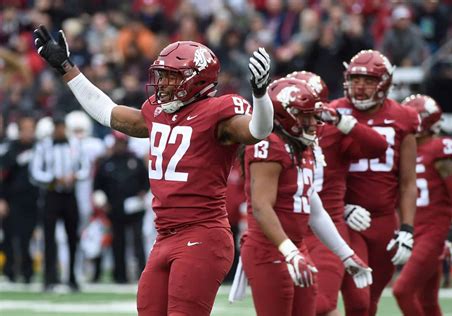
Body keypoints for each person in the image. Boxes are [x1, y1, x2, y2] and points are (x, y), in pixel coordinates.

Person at [33, 25, 274, 315]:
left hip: (202, 234)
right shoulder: (156, 111)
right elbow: (108, 111)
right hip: (164, 237)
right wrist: (66, 69)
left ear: (197, 80)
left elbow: (257, 130)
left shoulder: (217, 112)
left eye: (172, 77)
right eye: (162, 75)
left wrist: (260, 96)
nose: (163, 84)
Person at [239, 77, 373, 316]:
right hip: (270, 250)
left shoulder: (302, 146)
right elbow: (261, 207)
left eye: (313, 115)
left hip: (297, 248)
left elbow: (314, 208)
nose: (313, 122)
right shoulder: (269, 144)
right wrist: (289, 252)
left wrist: (346, 254)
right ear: (284, 115)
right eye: (305, 116)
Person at [287, 71, 388, 316]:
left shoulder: (331, 132)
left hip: (325, 228)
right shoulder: (278, 135)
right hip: (287, 228)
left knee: (319, 304)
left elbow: (379, 146)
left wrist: (343, 122)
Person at [329, 50, 420, 316]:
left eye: (368, 80)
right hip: (343, 218)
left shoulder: (403, 118)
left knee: (369, 304)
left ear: (384, 84)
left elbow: (407, 181)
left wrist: (406, 228)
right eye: (355, 79)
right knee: (356, 301)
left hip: (383, 221)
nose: (360, 86)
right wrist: (342, 207)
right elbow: (320, 172)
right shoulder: (334, 112)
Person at [391, 94, 452, 315]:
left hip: (433, 232)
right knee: (427, 301)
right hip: (411, 231)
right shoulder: (403, 150)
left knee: (402, 290)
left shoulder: (440, 148)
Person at [30, 114, 90, 292]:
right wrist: (54, 179)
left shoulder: (76, 144)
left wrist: (75, 176)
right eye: (57, 127)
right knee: (49, 238)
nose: (60, 131)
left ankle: (72, 277)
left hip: (69, 195)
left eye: (62, 127)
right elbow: (35, 172)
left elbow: (85, 168)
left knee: (73, 237)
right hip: (51, 194)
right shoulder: (43, 146)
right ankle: (49, 278)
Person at [93, 130, 149, 284]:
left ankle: (142, 274)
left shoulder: (135, 161)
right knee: (118, 243)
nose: (120, 146)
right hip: (114, 208)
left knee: (137, 241)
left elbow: (146, 181)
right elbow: (97, 186)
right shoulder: (106, 163)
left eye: (122, 143)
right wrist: (102, 202)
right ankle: (120, 275)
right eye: (117, 143)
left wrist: (142, 193)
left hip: (134, 208)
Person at [0, 115, 39, 283]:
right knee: (10, 236)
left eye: (31, 129)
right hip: (13, 200)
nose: (29, 132)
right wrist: (1, 199)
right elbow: (3, 176)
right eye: (26, 129)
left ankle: (27, 271)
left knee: (27, 237)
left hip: (32, 200)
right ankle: (9, 270)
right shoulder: (11, 149)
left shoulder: (39, 148)